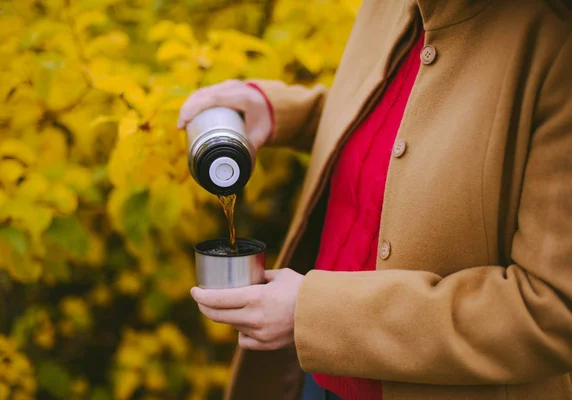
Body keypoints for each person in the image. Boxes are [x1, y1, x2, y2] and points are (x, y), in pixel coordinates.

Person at [178, 0, 572, 399]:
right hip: (316, 375)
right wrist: (284, 111)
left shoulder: (555, 43)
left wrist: (316, 315)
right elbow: (401, 123)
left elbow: (554, 312)